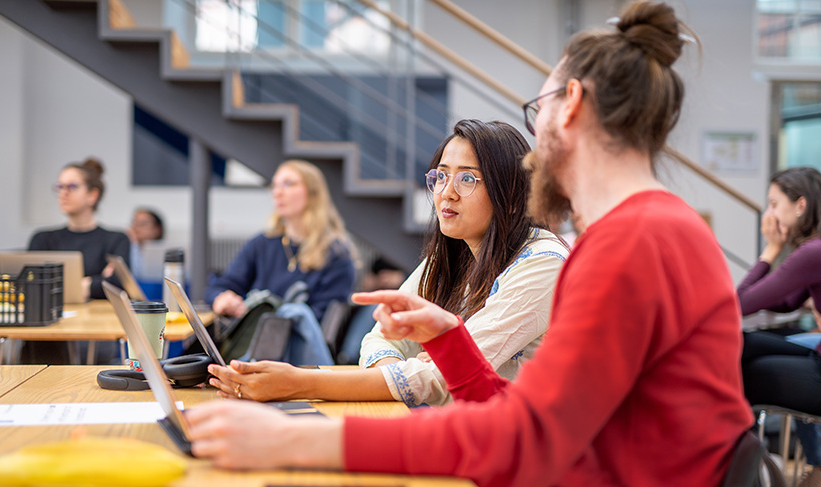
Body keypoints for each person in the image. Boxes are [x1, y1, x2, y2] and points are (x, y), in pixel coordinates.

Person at [184, 3, 754, 485]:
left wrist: (297, 442)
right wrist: (451, 341)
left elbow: (528, 440)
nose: (533, 151)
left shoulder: (630, 242)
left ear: (571, 104)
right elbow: (537, 417)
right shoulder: (656, 227)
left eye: (539, 113)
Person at [206, 119, 568, 406]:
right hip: (459, 431)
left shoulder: (542, 263)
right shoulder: (450, 257)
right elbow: (377, 339)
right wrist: (401, 373)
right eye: (441, 175)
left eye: (468, 178)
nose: (447, 191)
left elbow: (445, 375)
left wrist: (299, 382)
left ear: (513, 195)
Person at [204, 160, 356, 363]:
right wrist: (223, 298)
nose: (277, 192)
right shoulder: (262, 243)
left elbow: (318, 325)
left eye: (288, 184)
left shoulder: (336, 254)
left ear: (313, 194)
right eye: (274, 185)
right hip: (251, 346)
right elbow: (222, 285)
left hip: (296, 356)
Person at [739, 166, 821, 487]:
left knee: (744, 366)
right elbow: (783, 302)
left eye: (774, 204)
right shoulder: (812, 251)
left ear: (800, 206)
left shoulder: (812, 252)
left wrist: (771, 249)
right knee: (746, 343)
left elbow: (738, 304)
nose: (769, 213)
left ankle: (738, 470)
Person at [29, 158, 130, 301]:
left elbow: (118, 286)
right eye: (60, 187)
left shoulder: (116, 240)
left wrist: (60, 286)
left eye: (72, 187)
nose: (63, 193)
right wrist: (93, 282)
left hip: (99, 319)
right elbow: (32, 284)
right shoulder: (42, 239)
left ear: (92, 195)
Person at [127, 208, 164, 279]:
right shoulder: (128, 248)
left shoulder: (162, 253)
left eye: (142, 224)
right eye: (134, 223)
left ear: (157, 229)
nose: (136, 228)